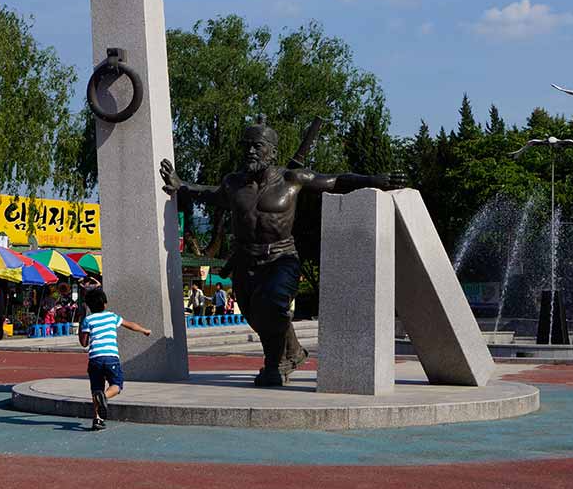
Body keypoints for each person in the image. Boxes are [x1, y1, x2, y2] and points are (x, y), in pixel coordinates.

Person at [160, 114, 404, 386]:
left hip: (281, 257)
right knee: (255, 316)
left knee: (272, 305)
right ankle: (294, 352)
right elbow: (210, 194)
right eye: (247, 146)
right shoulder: (234, 183)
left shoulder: (291, 179)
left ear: (272, 152)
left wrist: (373, 179)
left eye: (257, 146)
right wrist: (183, 186)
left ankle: (274, 364)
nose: (250, 151)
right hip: (245, 261)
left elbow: (335, 181)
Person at [78, 288, 151, 431]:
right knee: (116, 385)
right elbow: (130, 324)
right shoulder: (112, 316)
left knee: (96, 389)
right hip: (111, 357)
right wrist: (144, 330)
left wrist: (81, 322)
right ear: (105, 304)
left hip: (95, 359)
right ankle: (104, 397)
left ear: (89, 306)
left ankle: (97, 419)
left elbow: (84, 343)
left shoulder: (88, 320)